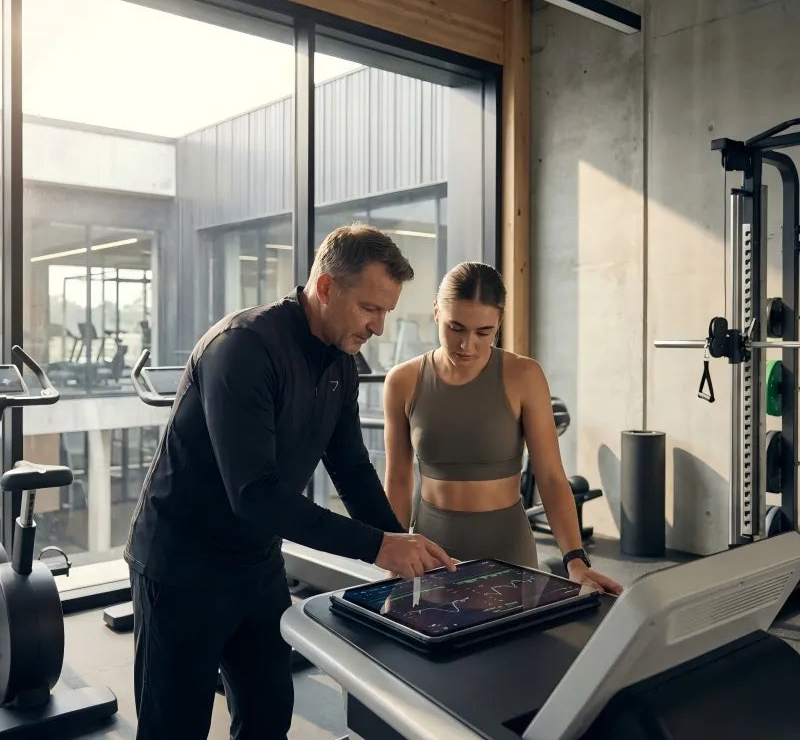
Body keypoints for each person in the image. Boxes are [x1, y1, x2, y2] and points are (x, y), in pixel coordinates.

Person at [124, 224, 456, 740]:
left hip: (256, 565)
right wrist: (377, 547)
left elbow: (351, 467)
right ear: (326, 288)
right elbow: (253, 494)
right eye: (370, 308)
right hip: (182, 567)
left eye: (386, 311)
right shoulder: (243, 348)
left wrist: (401, 546)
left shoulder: (341, 360)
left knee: (268, 717)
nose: (379, 326)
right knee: (174, 729)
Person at [383, 261, 622, 595]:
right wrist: (393, 562)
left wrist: (575, 560)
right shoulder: (402, 381)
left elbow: (551, 477)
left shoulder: (524, 376)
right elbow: (398, 479)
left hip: (508, 551)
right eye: (456, 328)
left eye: (484, 332)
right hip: (431, 552)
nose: (467, 345)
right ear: (436, 312)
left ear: (499, 322)